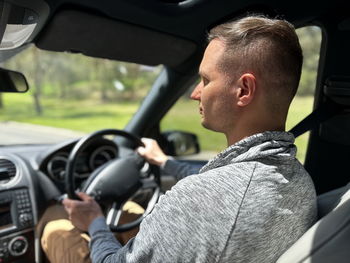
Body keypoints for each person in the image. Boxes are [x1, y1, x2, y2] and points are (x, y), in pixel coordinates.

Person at [42, 15, 317, 263]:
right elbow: (218, 178)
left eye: (206, 80)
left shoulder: (201, 199)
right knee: (130, 211)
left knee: (55, 222)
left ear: (243, 90)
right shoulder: (297, 178)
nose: (195, 93)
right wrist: (164, 161)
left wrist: (94, 222)